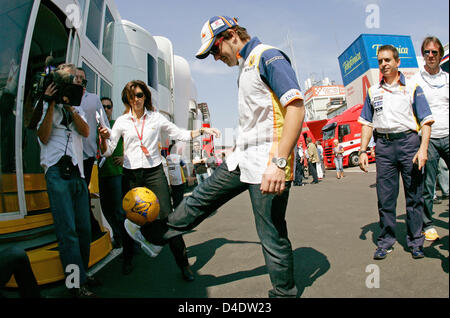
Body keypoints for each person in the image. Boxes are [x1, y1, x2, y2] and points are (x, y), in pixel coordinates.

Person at [125, 16, 305, 298]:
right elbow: (257, 120)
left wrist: (280, 163)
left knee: (271, 235)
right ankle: (153, 237)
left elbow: (295, 108)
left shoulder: (268, 57)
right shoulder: (244, 67)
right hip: (242, 159)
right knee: (198, 200)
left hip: (268, 165)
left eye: (215, 49)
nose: (214, 57)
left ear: (232, 35)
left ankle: (284, 294)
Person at [99, 80, 220, 281]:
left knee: (167, 217)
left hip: (154, 172)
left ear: (145, 96)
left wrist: (201, 131)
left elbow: (178, 133)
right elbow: (108, 151)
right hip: (131, 175)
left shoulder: (155, 118)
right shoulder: (121, 121)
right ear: (127, 99)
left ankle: (183, 264)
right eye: (132, 96)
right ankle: (128, 257)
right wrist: (103, 139)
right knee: (130, 218)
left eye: (139, 95)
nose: (136, 99)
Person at [358, 45, 434, 260]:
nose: (384, 64)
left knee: (414, 196)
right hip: (384, 147)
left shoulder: (412, 87)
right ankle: (386, 242)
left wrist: (423, 149)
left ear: (397, 62)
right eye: (380, 61)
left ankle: (416, 242)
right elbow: (366, 123)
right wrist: (363, 150)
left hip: (409, 143)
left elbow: (426, 121)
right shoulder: (373, 91)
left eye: (388, 60)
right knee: (385, 198)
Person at [37, 63, 97, 297]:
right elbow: (43, 135)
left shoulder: (77, 108)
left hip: (77, 172)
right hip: (55, 171)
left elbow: (85, 132)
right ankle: (75, 283)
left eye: (78, 81)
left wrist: (70, 108)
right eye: (71, 79)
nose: (76, 84)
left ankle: (82, 273)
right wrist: (52, 103)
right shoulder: (44, 103)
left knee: (84, 229)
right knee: (67, 231)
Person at [412, 36, 449, 242]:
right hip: (429, 139)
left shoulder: (447, 79)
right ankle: (428, 224)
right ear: (423, 55)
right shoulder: (416, 80)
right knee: (427, 185)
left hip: (449, 134)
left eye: (435, 52)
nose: (431, 55)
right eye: (427, 52)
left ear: (440, 55)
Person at [74, 67, 110, 238]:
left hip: (87, 154)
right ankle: (90, 229)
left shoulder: (93, 99)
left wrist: (105, 137)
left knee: (82, 191)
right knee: (78, 193)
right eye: (76, 77)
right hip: (70, 153)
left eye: (82, 77)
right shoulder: (67, 98)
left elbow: (103, 123)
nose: (79, 80)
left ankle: (93, 230)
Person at [98, 97, 125, 250]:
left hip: (116, 174)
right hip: (101, 175)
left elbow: (132, 141)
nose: (106, 109)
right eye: (103, 107)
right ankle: (118, 236)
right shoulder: (95, 127)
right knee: (106, 209)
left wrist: (125, 157)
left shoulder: (116, 125)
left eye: (109, 107)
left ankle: (128, 242)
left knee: (119, 211)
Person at [166, 143, 187, 209]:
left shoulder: (167, 158)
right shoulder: (179, 157)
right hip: (180, 179)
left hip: (172, 180)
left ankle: (175, 208)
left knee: (174, 195)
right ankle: (180, 209)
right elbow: (184, 166)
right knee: (180, 195)